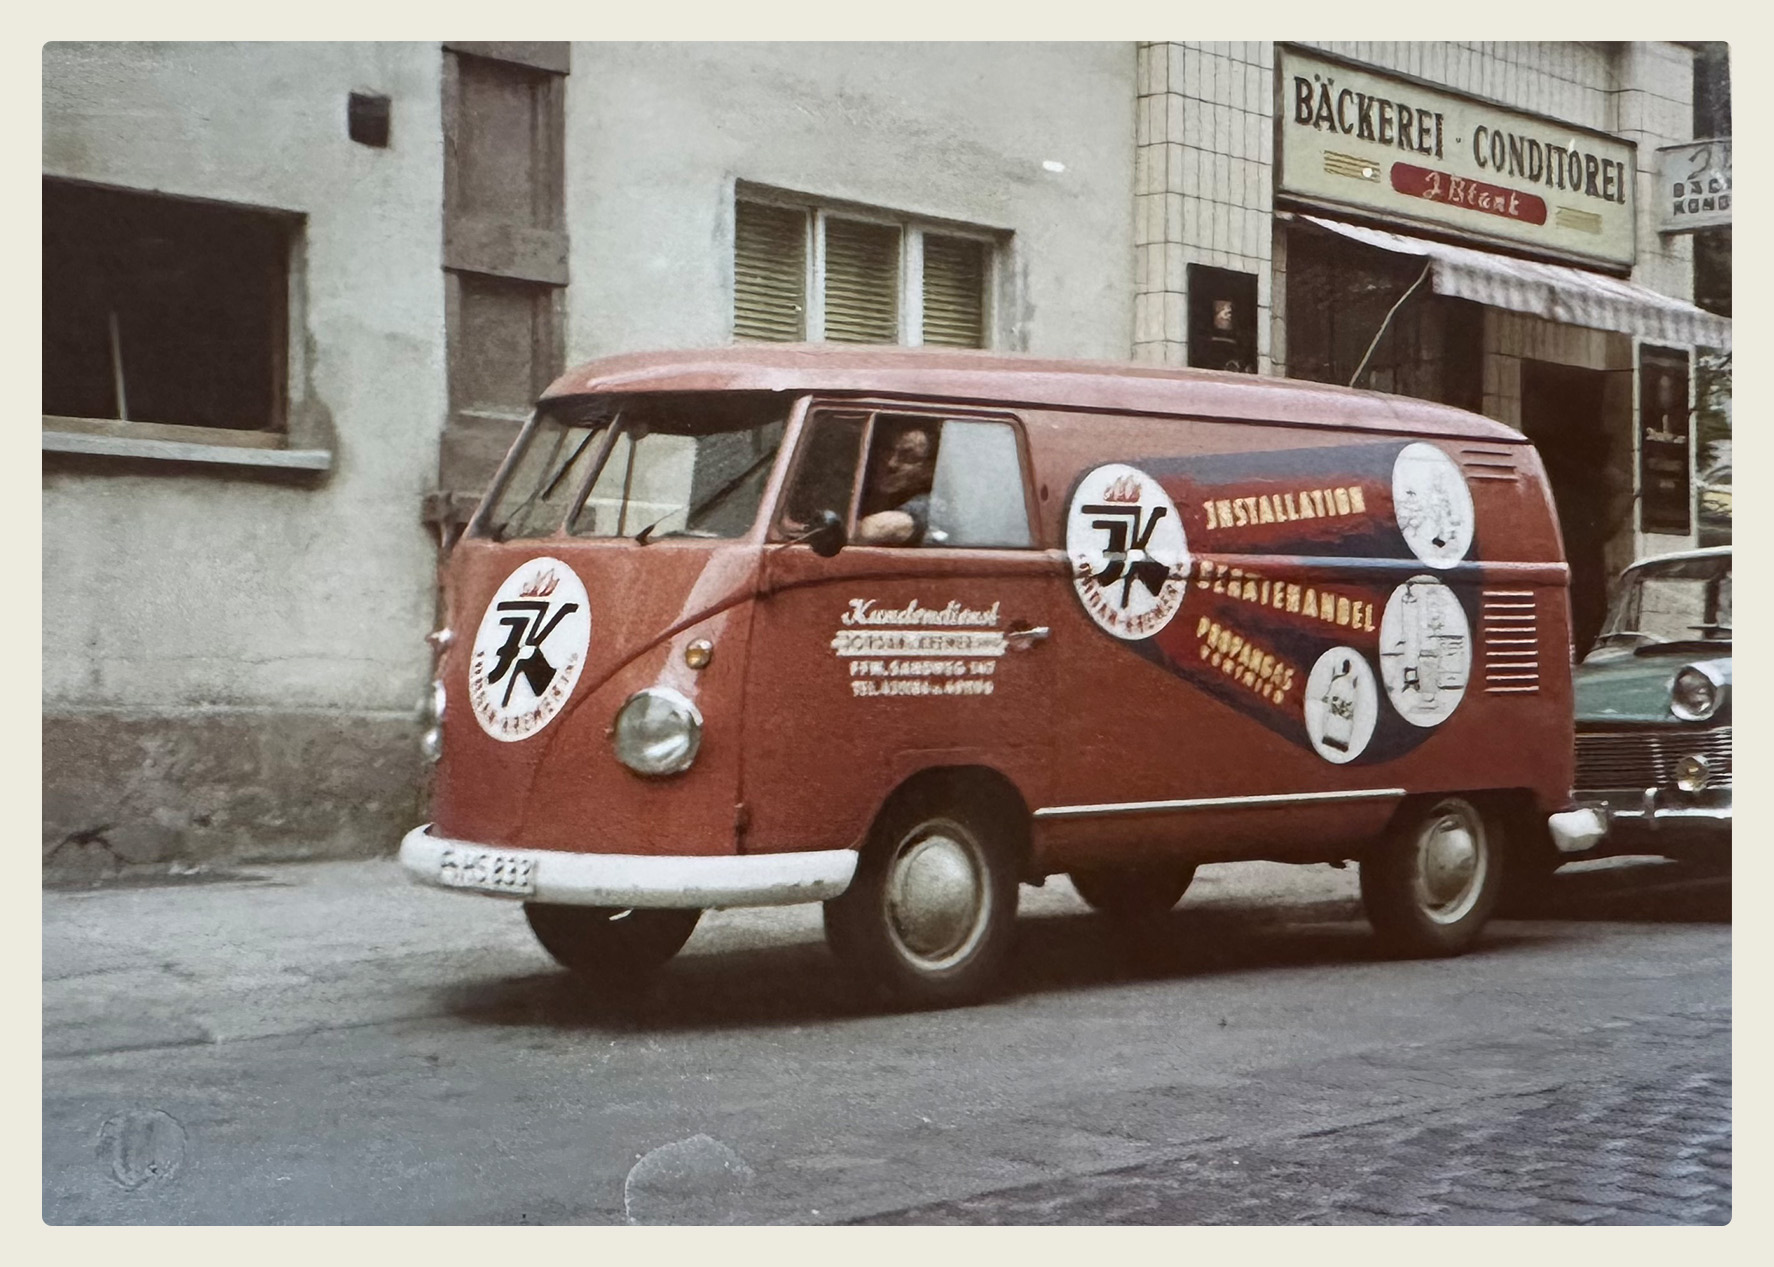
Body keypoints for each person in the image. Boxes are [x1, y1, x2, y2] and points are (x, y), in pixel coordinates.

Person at [854, 425, 938, 545]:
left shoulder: (928, 503)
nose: (891, 463)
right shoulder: (871, 496)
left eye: (908, 457)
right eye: (887, 452)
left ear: (929, 469)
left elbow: (875, 530)